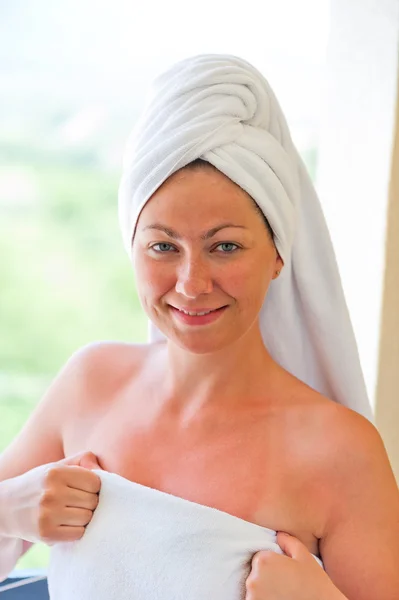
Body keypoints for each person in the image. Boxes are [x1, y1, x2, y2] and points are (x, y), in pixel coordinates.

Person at [0, 54, 398, 600]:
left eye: (225, 246)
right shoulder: (91, 381)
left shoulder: (341, 453)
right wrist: (7, 510)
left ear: (279, 255)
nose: (191, 283)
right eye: (164, 246)